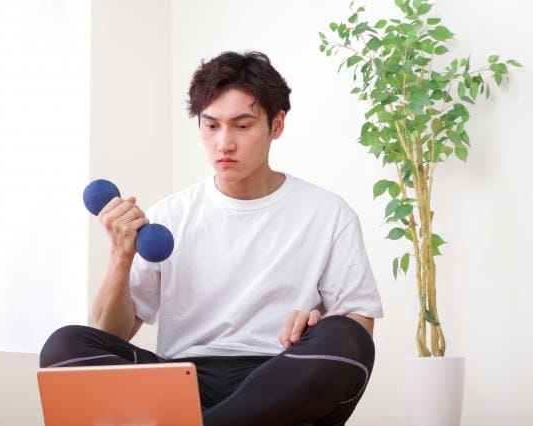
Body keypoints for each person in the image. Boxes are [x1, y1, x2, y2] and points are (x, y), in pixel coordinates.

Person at [40, 50, 383, 426]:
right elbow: (111, 334)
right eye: (211, 126)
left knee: (346, 337)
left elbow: (358, 331)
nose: (224, 143)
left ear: (277, 124)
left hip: (280, 381)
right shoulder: (171, 213)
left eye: (242, 125)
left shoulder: (328, 213)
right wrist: (121, 256)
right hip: (181, 382)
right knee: (65, 346)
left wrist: (317, 323)